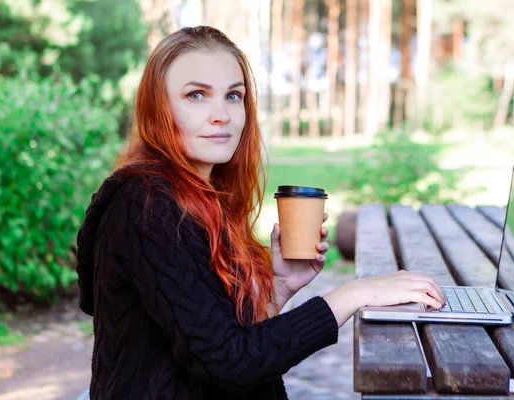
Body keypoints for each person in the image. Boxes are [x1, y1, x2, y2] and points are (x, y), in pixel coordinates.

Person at [75, 26, 445, 400]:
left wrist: (279, 287)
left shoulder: (198, 196)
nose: (221, 114)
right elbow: (230, 362)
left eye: (233, 96)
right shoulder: (145, 204)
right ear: (158, 108)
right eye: (197, 95)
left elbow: (215, 337)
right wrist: (352, 295)